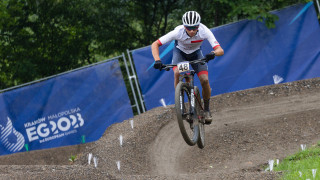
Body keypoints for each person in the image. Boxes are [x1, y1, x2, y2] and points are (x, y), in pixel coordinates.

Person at [151, 11, 224, 124]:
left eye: (194, 28)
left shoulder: (204, 31)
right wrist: (157, 60)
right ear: (184, 26)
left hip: (196, 53)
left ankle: (207, 109)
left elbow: (220, 50)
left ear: (198, 26)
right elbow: (155, 44)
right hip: (180, 54)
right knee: (177, 74)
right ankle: (180, 103)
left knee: (204, 80)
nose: (191, 30)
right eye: (188, 28)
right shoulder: (177, 32)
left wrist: (213, 53)